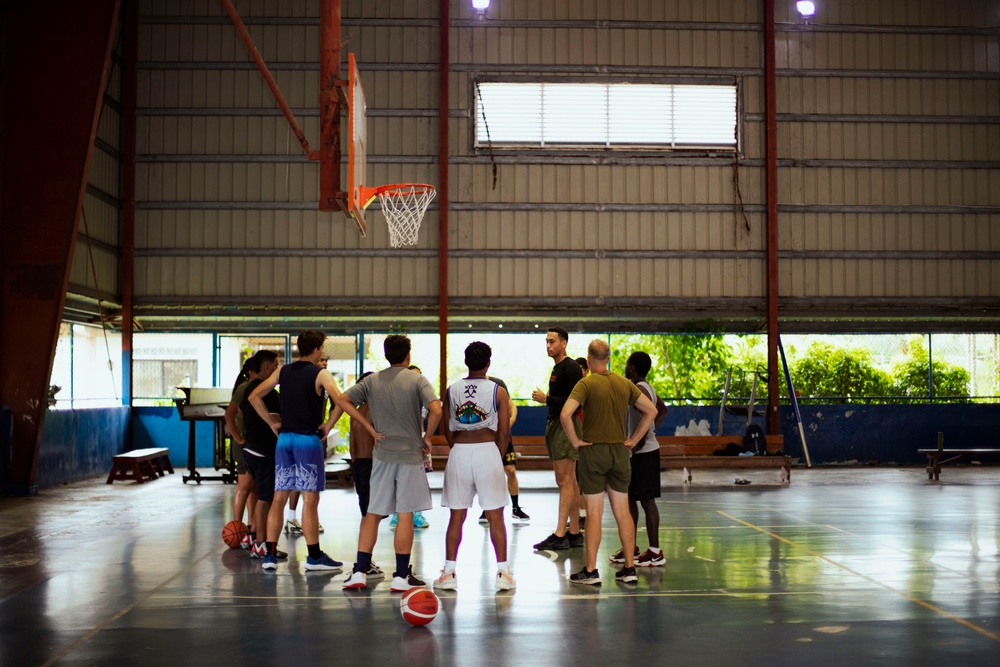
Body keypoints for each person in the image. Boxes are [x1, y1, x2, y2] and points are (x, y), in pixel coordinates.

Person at [249, 330, 381, 573]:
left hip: (284, 440)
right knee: (310, 499)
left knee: (279, 497)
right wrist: (355, 426)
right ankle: (314, 556)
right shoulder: (321, 374)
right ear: (318, 349)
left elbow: (254, 395)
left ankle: (269, 555)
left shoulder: (283, 371)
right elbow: (342, 401)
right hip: (307, 441)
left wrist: (271, 423)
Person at [339, 335, 442, 591]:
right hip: (409, 455)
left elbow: (342, 400)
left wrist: (367, 426)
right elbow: (437, 409)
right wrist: (427, 438)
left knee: (372, 513)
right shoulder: (417, 379)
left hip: (382, 454)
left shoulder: (372, 381)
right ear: (408, 355)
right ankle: (399, 576)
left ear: (386, 355)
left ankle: (360, 572)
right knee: (405, 513)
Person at [560, 339, 657, 585]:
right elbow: (652, 411)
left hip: (593, 452)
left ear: (589, 360)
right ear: (609, 359)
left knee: (593, 514)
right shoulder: (624, 384)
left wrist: (575, 441)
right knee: (623, 512)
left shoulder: (586, 383)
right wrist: (634, 440)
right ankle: (629, 568)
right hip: (620, 453)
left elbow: (565, 414)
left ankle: (591, 571)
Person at [433, 342, 516, 591]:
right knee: (495, 516)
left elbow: (446, 429)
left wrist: (458, 448)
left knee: (456, 516)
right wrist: (494, 454)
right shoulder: (498, 391)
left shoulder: (451, 390)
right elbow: (504, 432)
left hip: (459, 453)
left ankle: (449, 573)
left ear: (466, 362)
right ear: (488, 363)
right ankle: (503, 573)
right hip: (488, 451)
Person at [609, 352, 669, 567]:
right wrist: (648, 433)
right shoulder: (647, 387)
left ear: (632, 368)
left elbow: (649, 414)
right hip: (640, 451)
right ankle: (630, 547)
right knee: (631, 499)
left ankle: (655, 551)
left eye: (627, 365)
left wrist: (639, 440)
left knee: (647, 501)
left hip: (644, 453)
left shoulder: (640, 389)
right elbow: (661, 409)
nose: (625, 368)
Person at [531, 327, 584, 550]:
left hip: (566, 426)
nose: (548, 345)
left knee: (564, 481)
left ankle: (560, 534)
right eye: (546, 341)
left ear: (564, 343)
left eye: (552, 341)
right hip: (556, 425)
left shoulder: (571, 368)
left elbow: (576, 401)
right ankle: (574, 533)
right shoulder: (558, 368)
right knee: (568, 480)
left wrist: (547, 399)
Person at [238, 350, 288, 561]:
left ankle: (260, 540)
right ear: (267, 368)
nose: (277, 369)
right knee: (266, 499)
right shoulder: (268, 393)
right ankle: (261, 544)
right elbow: (276, 421)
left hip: (250, 448)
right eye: (275, 365)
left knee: (260, 496)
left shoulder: (249, 388)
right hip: (263, 450)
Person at [346, 371, 384, 579]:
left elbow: (352, 448)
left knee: (368, 515)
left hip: (359, 465)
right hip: (372, 465)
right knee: (372, 516)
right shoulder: (374, 412)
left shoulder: (357, 412)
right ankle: (364, 563)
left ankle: (365, 561)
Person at [479, 375, 528, 524]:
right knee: (489, 472)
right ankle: (486, 509)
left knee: (510, 470)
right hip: (486, 435)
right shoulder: (473, 385)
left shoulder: (498, 383)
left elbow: (511, 405)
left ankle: (515, 508)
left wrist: (510, 420)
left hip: (502, 435)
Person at [223, 357, 259, 550]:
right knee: (244, 486)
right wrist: (238, 438)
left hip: (251, 444)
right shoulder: (244, 388)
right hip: (244, 445)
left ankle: (251, 529)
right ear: (253, 371)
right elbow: (229, 414)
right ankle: (237, 526)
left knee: (254, 488)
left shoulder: (254, 387)